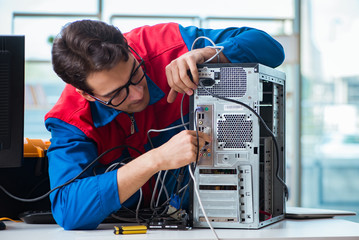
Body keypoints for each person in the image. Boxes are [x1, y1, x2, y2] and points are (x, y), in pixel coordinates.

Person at [45, 19, 285, 230]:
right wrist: (155, 160)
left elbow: (272, 50)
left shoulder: (170, 45)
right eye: (118, 93)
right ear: (87, 94)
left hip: (206, 221)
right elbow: (68, 210)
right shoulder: (70, 119)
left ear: (130, 49)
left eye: (135, 74)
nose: (138, 94)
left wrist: (209, 54)